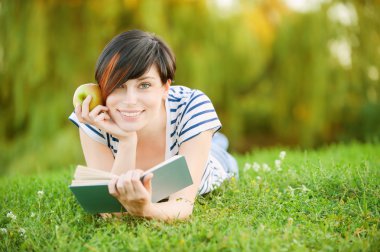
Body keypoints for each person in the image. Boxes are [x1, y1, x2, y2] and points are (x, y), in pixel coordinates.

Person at [69, 29, 238, 221]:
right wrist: (127, 141)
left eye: (144, 85)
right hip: (179, 142)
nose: (130, 100)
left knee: (216, 149)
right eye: (118, 85)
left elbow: (182, 205)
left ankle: (215, 141)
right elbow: (111, 211)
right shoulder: (93, 118)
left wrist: (146, 210)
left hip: (213, 163)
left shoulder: (192, 105)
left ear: (165, 87)